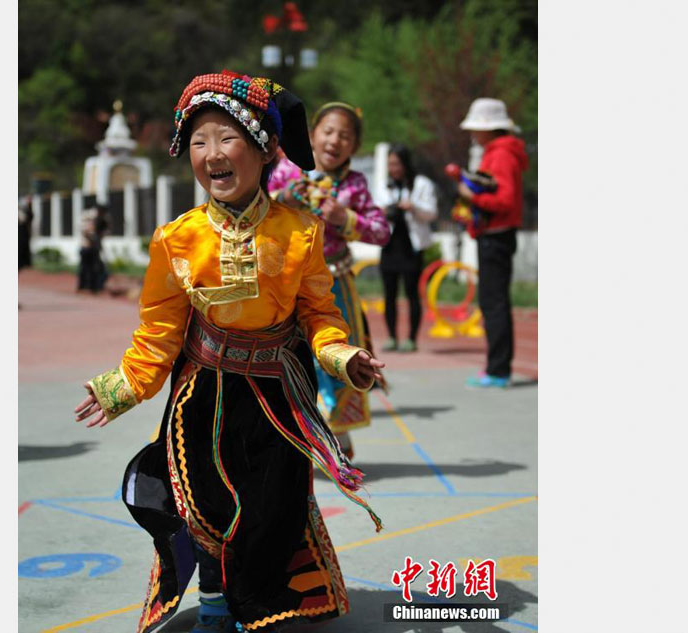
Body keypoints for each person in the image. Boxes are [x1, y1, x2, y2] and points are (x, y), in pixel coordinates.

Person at [73, 71, 384, 633]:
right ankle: (216, 601)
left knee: (272, 510)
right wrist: (123, 386)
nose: (211, 154)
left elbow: (320, 316)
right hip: (205, 393)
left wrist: (341, 357)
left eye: (226, 139)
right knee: (205, 505)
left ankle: (255, 607)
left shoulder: (301, 233)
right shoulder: (176, 240)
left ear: (265, 150)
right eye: (198, 142)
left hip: (279, 394)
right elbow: (159, 332)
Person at [268, 102, 390, 460]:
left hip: (335, 286)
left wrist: (345, 218)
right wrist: (282, 200)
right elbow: (259, 209)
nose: (335, 141)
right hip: (287, 286)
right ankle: (296, 433)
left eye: (345, 136)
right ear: (311, 135)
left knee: (336, 356)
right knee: (289, 357)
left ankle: (337, 433)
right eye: (328, 131)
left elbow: (381, 231)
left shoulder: (355, 184)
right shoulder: (287, 172)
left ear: (353, 147)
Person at [456, 98, 529, 388]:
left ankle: (498, 370)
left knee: (494, 303)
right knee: (492, 302)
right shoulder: (496, 152)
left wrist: (471, 196)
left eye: (477, 127)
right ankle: (497, 368)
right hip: (493, 234)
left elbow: (505, 199)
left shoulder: (501, 155)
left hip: (496, 236)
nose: (473, 133)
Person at [374, 144, 438, 352]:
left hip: (412, 247)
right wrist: (384, 211)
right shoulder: (385, 185)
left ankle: (411, 338)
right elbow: (375, 210)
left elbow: (431, 213)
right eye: (391, 164)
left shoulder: (421, 184)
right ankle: (392, 336)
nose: (394, 168)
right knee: (389, 294)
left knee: (412, 293)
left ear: (406, 163)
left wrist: (413, 207)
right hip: (390, 246)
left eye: (397, 163)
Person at [76, 203, 109, 293]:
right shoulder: (89, 217)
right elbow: (86, 232)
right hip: (86, 247)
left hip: (94, 248)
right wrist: (94, 237)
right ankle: (83, 286)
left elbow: (102, 232)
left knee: (95, 268)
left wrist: (98, 239)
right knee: (85, 267)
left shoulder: (101, 220)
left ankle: (93, 286)